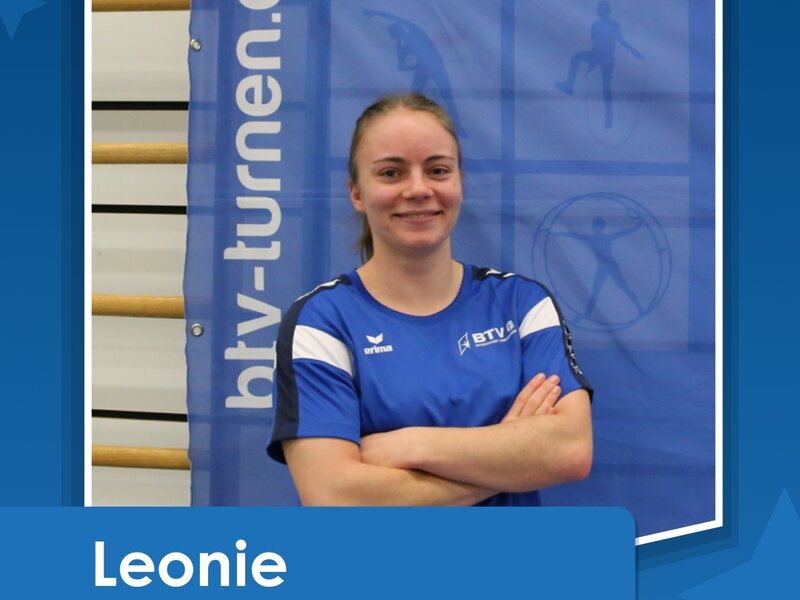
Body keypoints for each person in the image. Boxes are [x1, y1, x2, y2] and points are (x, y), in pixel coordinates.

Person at [267, 93, 593, 506]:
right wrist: (512, 457)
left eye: (438, 170)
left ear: (459, 183)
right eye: (391, 173)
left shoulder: (522, 305)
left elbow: (570, 451)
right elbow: (335, 498)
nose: (419, 189)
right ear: (356, 193)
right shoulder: (321, 323)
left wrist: (411, 445)